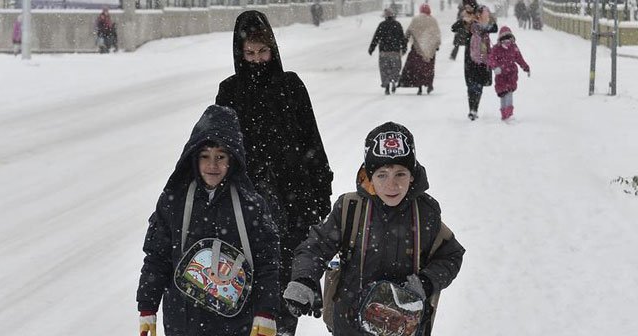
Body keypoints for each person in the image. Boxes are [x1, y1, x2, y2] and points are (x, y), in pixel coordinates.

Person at [282, 121, 466, 336]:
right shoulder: (350, 208)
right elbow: (315, 247)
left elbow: (451, 255)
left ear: (412, 175)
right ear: (369, 176)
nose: (392, 184)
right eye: (382, 175)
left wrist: (425, 282)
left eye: (400, 174)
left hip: (403, 326)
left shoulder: (425, 212)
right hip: (350, 325)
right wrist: (304, 278)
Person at [215, 10, 334, 336]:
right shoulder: (230, 92)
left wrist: (320, 195)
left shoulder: (291, 86)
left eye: (262, 52)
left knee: (285, 297)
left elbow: (312, 141)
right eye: (249, 53)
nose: (255, 60)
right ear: (240, 54)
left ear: (273, 50)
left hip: (293, 205)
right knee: (242, 293)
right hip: (246, 208)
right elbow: (218, 149)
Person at [136, 105, 280, 336]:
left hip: (236, 323)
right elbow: (157, 258)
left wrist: (266, 314)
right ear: (193, 158)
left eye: (220, 157)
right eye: (205, 156)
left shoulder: (251, 205)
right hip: (183, 322)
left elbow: (267, 264)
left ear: (232, 159)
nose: (212, 165)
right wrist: (147, 308)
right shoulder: (174, 201)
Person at [453, 4, 498, 121]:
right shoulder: (471, 26)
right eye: (484, 13)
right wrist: (464, 20)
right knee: (471, 85)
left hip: (483, 58)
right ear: (478, 14)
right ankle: (472, 109)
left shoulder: (486, 26)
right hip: (470, 58)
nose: (486, 15)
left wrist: (487, 20)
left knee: (479, 85)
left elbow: (495, 28)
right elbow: (453, 28)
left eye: (486, 13)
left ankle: (474, 109)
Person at [488, 26, 530, 120]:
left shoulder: (514, 47)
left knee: (509, 92)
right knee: (502, 93)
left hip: (512, 74)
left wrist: (525, 67)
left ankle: (509, 113)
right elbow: (491, 59)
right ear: (500, 39)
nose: (507, 42)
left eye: (509, 39)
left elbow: (519, 58)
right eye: (504, 39)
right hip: (500, 76)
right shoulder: (496, 49)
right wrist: (495, 67)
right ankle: (504, 113)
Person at [398, 4, 441, 95]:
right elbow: (436, 34)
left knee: (417, 67)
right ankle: (429, 84)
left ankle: (419, 85)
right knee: (428, 68)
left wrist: (404, 41)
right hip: (430, 49)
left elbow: (409, 31)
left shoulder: (416, 20)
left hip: (417, 49)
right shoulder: (433, 20)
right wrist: (436, 46)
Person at [368, 8, 407, 95]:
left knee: (384, 69)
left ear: (385, 16)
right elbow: (402, 38)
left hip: (384, 52)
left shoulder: (382, 25)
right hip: (395, 52)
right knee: (396, 68)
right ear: (393, 16)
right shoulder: (397, 25)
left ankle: (386, 86)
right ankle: (393, 80)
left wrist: (371, 48)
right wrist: (404, 48)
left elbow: (376, 37)